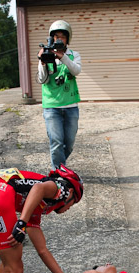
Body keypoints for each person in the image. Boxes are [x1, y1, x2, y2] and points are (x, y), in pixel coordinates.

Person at [37, 19, 81, 170]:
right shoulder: (46, 54)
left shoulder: (73, 55)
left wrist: (63, 57)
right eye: (56, 37)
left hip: (71, 105)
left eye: (63, 36)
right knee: (56, 141)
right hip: (51, 106)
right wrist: (43, 62)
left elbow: (76, 71)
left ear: (68, 38)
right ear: (52, 38)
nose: (59, 39)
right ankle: (59, 172)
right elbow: (42, 79)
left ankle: (60, 167)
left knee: (69, 143)